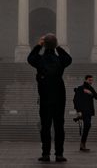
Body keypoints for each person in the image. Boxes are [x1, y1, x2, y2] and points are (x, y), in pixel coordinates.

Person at [28, 33, 72, 163]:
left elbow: (30, 58)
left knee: (45, 126)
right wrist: (58, 46)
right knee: (59, 126)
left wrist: (38, 45)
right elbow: (68, 59)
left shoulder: (40, 60)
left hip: (45, 96)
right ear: (54, 45)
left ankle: (46, 154)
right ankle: (59, 154)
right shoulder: (60, 60)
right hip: (59, 96)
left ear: (44, 45)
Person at [72, 74, 97, 152]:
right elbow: (75, 100)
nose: (91, 82)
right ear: (85, 80)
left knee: (87, 126)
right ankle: (82, 144)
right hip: (83, 111)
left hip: (89, 111)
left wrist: (91, 93)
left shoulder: (91, 88)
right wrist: (78, 111)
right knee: (87, 125)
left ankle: (82, 144)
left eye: (92, 80)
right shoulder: (80, 88)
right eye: (89, 80)